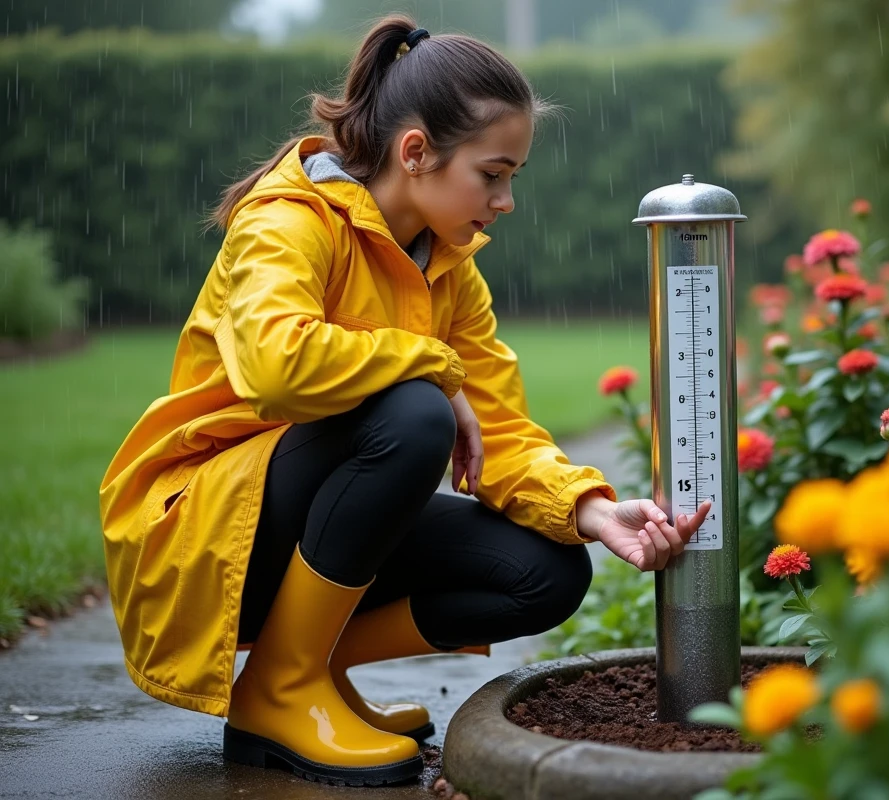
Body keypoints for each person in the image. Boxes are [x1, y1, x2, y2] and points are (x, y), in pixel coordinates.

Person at [98, 15, 711, 787]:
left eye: (512, 176)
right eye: (493, 174)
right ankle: (282, 687)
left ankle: (301, 672)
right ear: (416, 152)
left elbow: (499, 424)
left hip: (298, 520)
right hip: (205, 531)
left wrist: (590, 511)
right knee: (413, 412)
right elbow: (275, 368)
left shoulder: (449, 269)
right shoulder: (286, 222)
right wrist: (432, 367)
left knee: (547, 571)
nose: (507, 199)